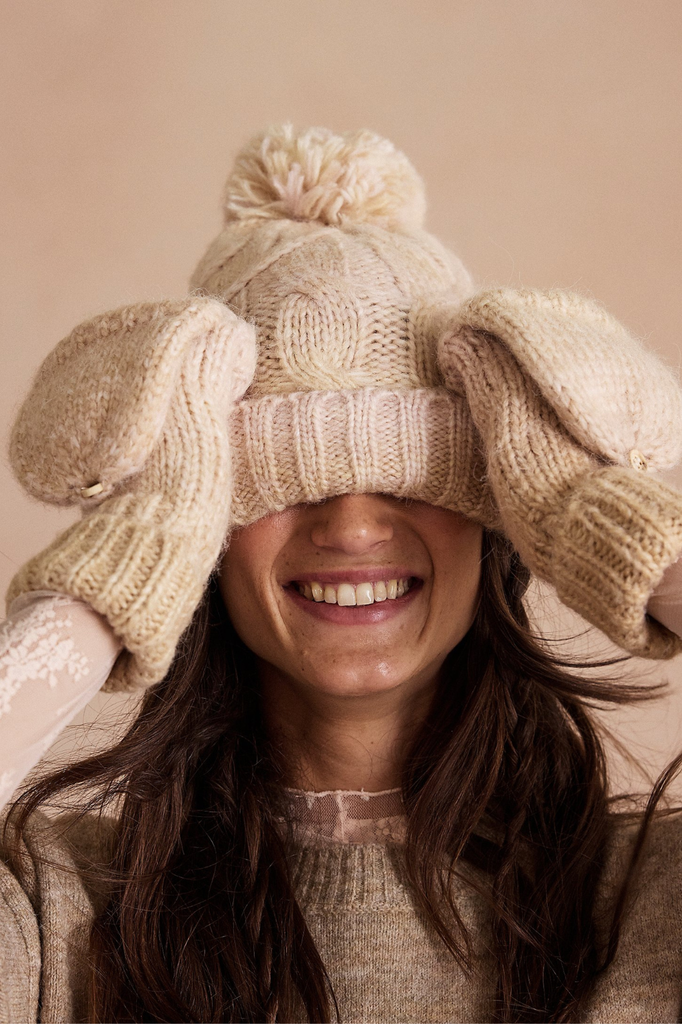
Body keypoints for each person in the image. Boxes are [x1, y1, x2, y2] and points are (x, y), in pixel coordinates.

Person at [1, 125, 682, 1024]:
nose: (354, 526)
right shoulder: (61, 909)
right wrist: (132, 547)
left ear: (503, 513)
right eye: (280, 484)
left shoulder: (639, 897)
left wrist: (597, 510)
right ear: (204, 533)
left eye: (414, 476)